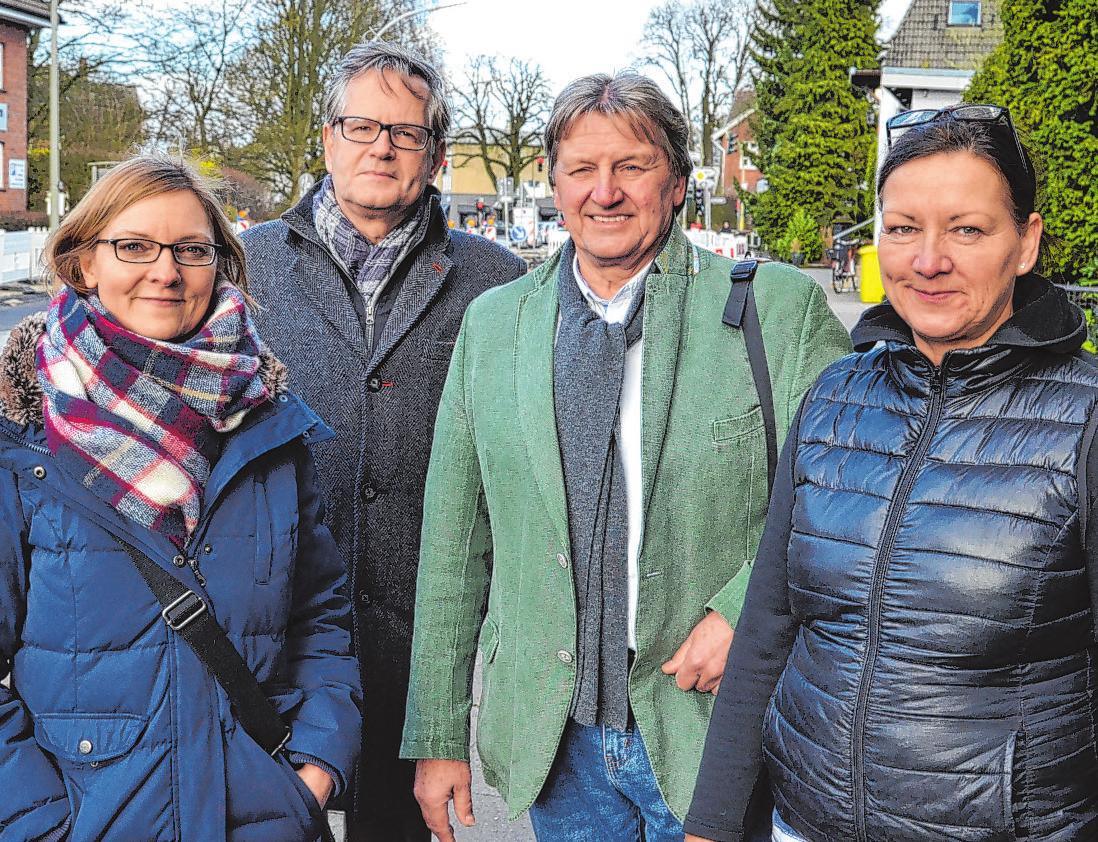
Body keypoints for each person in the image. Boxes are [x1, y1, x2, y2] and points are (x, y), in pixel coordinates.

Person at [401, 71, 850, 842]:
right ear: (554, 182)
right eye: (581, 168)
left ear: (676, 184)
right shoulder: (495, 325)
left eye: (631, 166)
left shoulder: (774, 310)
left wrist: (746, 609)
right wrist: (437, 734)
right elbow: (453, 544)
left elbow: (845, 493)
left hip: (710, 726)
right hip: (558, 741)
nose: (603, 192)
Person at [685, 104, 1098, 842]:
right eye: (903, 228)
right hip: (802, 824)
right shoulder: (835, 397)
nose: (928, 259)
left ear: (1026, 243)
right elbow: (770, 626)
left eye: (967, 229)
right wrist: (712, 821)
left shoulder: (1085, 420)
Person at [0, 154, 361, 841]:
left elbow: (322, 619)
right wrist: (37, 823)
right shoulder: (21, 433)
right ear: (83, 263)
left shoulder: (268, 425)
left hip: (261, 819)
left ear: (218, 264)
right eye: (134, 246)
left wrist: (312, 770)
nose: (165, 271)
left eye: (191, 249)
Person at [241, 41, 526, 842]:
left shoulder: (495, 280)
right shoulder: (243, 267)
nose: (381, 147)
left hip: (421, 646)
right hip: (273, 630)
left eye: (405, 133)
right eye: (361, 125)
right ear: (327, 139)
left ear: (436, 156)